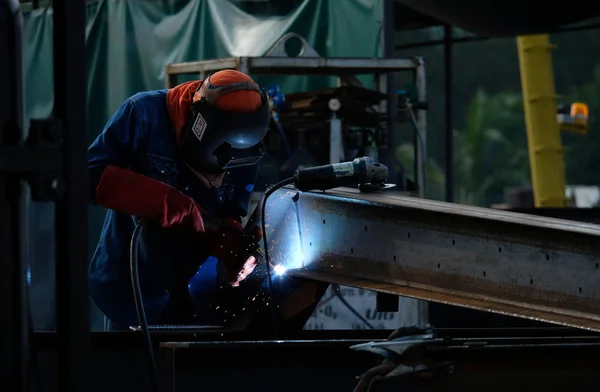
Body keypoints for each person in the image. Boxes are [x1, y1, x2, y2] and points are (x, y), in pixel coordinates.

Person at [87, 70, 270, 331]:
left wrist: (233, 247)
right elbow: (89, 177)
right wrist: (167, 202)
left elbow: (230, 210)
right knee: (131, 368)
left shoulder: (246, 146)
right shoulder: (142, 114)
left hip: (197, 294)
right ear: (199, 124)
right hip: (134, 289)